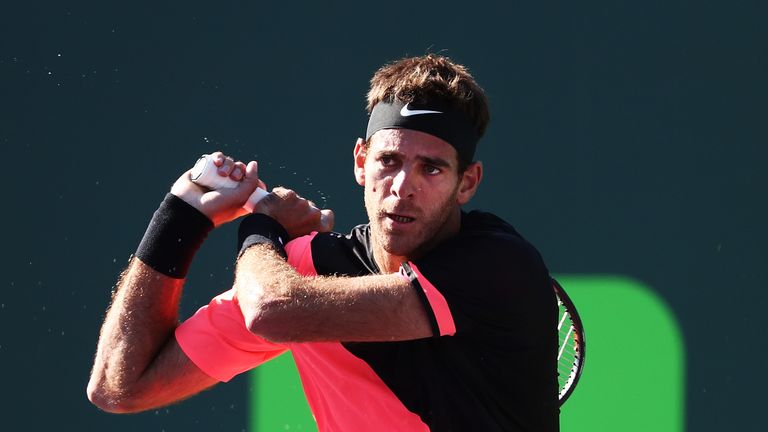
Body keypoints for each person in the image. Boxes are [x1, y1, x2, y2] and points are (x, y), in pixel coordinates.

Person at [87, 54, 559, 431]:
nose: (402, 186)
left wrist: (261, 228)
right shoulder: (301, 269)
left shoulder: (498, 266)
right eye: (388, 161)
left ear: (467, 182)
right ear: (360, 161)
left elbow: (272, 311)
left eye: (431, 169)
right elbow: (120, 387)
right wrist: (180, 217)